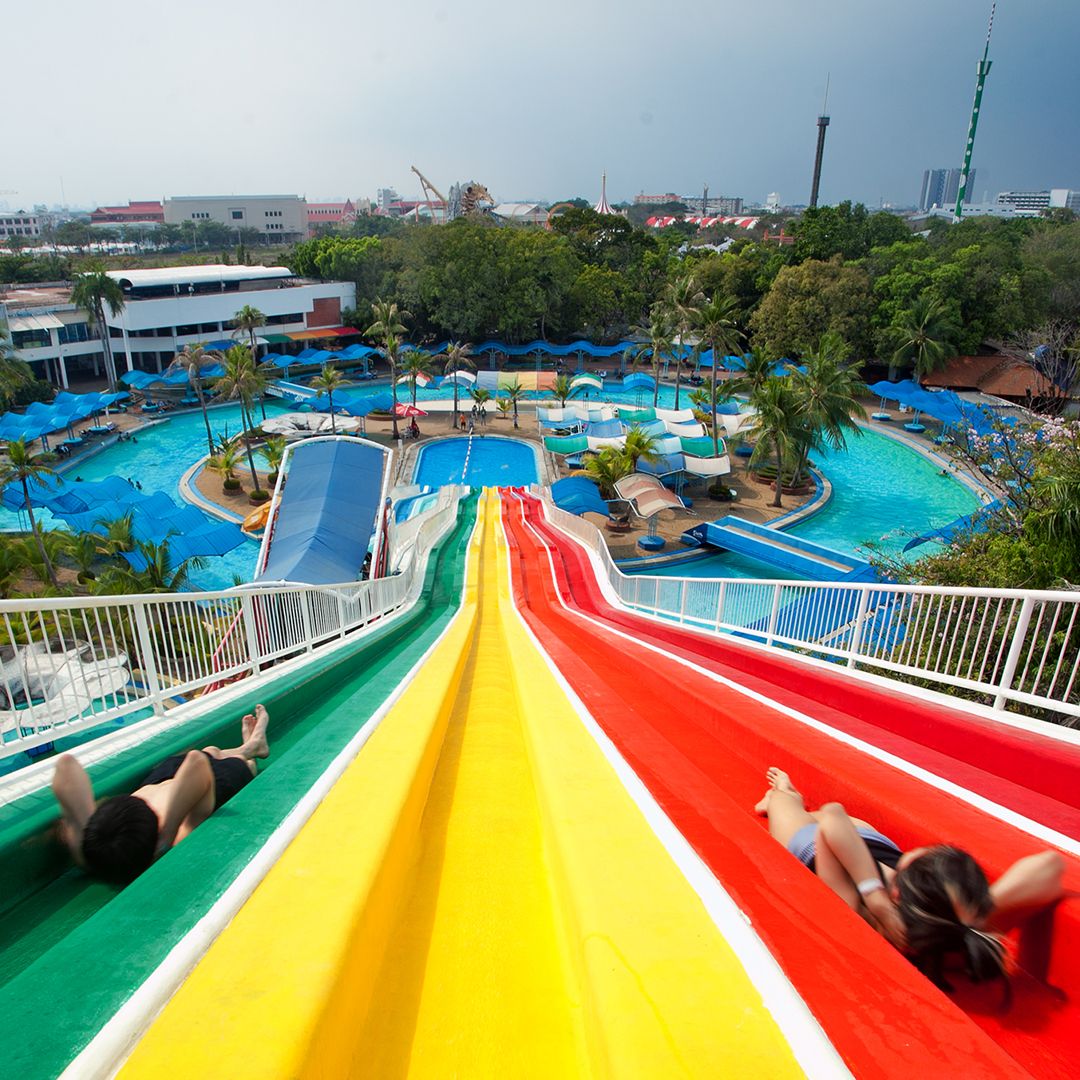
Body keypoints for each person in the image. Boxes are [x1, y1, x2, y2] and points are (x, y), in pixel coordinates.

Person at [756, 767, 1065, 989]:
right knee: (831, 815)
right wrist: (984, 910)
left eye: (923, 862)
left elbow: (834, 818)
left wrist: (875, 899)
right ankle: (790, 799)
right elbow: (1051, 865)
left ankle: (782, 796)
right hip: (871, 844)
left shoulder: (860, 914)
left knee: (785, 801)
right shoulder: (959, 926)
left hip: (812, 844)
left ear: (899, 894)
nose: (920, 853)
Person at [51, 704, 271, 885]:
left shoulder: (93, 852)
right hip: (198, 789)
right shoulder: (176, 837)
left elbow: (65, 765)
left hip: (159, 781)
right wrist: (167, 835)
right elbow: (196, 763)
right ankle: (250, 750)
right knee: (243, 765)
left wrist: (88, 824)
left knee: (212, 751)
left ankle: (250, 745)